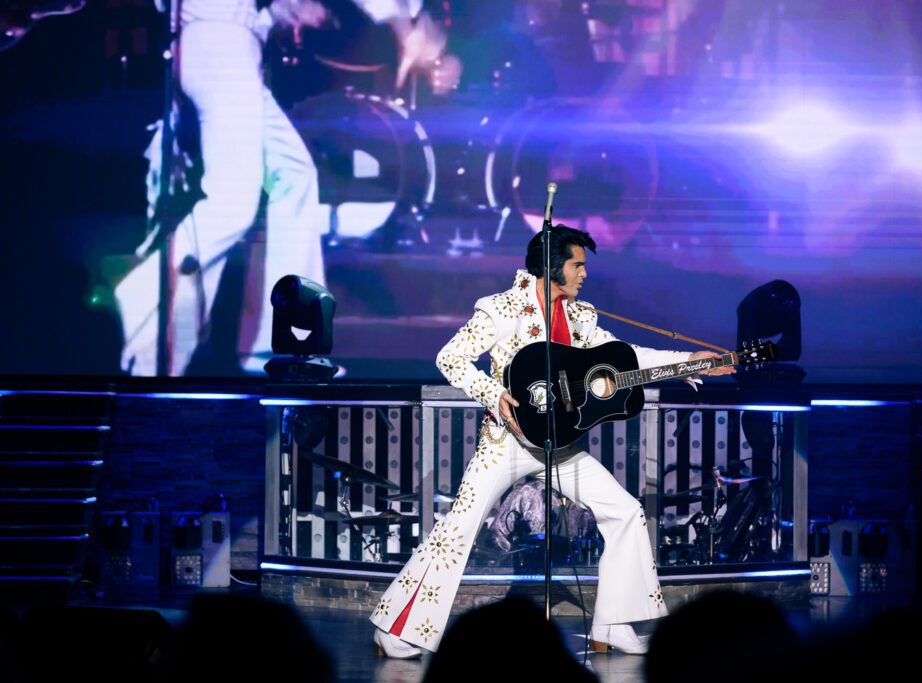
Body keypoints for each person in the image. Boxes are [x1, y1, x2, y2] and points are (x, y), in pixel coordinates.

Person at [369, 224, 734, 658]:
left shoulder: (581, 316)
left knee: (626, 512)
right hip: (505, 441)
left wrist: (685, 361)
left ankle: (613, 624)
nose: (584, 274)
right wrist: (492, 392)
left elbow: (625, 355)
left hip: (560, 447)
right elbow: (449, 357)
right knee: (458, 528)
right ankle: (395, 629)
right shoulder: (502, 309)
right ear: (551, 267)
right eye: (577, 265)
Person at [116, 0, 460, 376]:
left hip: (227, 41)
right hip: (219, 41)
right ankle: (141, 304)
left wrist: (282, 12)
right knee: (231, 203)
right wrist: (402, 21)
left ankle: (286, 347)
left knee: (294, 177)